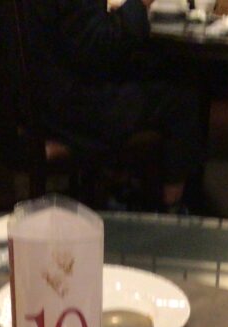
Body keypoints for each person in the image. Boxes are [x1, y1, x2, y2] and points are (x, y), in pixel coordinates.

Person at [24, 0, 203, 210]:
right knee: (182, 98)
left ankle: (122, 189)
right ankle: (172, 208)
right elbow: (100, 47)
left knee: (150, 74)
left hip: (28, 105)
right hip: (68, 111)